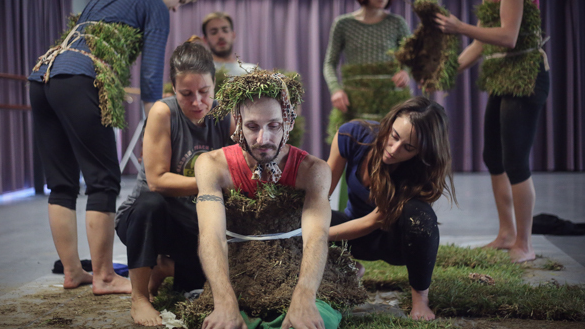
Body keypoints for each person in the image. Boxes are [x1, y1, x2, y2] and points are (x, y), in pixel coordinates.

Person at [27, 0, 201, 295]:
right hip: (80, 79)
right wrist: (159, 123)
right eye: (180, 1)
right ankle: (104, 276)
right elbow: (151, 71)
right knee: (103, 181)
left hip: (43, 76)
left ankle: (72, 272)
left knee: (62, 184)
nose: (175, 8)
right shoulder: (154, 2)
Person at [193, 70, 359, 329]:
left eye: (273, 126)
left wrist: (304, 296)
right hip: (240, 269)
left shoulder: (312, 171)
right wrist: (225, 302)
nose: (263, 139)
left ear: (288, 122)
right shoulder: (212, 165)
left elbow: (316, 235)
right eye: (252, 127)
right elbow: (211, 235)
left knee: (312, 322)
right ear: (238, 123)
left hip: (295, 263)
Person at [115, 41, 234, 326]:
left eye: (204, 92)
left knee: (196, 285)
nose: (197, 102)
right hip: (146, 221)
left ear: (214, 85)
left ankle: (164, 267)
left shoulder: (224, 115)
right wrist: (213, 182)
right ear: (173, 89)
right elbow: (156, 181)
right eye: (186, 94)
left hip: (196, 225)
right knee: (150, 203)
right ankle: (139, 298)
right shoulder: (163, 112)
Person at [435, 0, 549, 263]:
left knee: (515, 161)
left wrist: (460, 27)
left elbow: (508, 36)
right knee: (493, 158)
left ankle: (524, 244)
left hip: (527, 75)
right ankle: (507, 234)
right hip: (503, 76)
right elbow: (481, 43)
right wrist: (444, 74)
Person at [326, 97, 456, 320]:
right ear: (390, 122)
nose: (394, 149)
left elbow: (373, 222)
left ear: (421, 151)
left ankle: (420, 300)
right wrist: (307, 228)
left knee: (420, 217)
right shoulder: (352, 135)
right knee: (300, 215)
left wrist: (317, 235)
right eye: (394, 136)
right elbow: (321, 194)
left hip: (392, 243)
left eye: (408, 147)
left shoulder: (417, 173)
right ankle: (345, 265)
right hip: (352, 235)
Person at [324, 0, 411, 114]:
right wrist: (336, 90)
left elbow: (411, 58)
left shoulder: (397, 23)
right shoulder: (343, 24)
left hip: (392, 102)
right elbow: (329, 63)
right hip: (354, 103)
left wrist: (405, 72)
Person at [202, 12, 257, 76]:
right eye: (214, 32)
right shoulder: (199, 71)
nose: (221, 36)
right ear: (205, 39)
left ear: (233, 35)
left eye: (225, 30)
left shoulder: (252, 71)